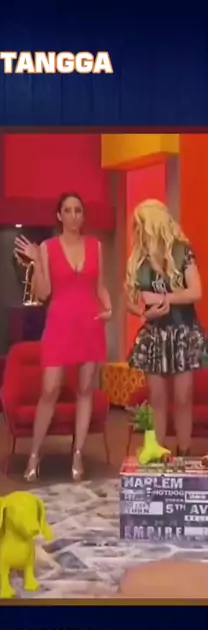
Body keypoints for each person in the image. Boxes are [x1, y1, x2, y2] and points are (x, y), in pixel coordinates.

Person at [14, 192, 112, 482]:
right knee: (50, 390)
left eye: (78, 210)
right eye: (67, 210)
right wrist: (36, 262)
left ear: (83, 215)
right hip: (59, 324)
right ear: (59, 215)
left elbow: (100, 287)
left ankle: (78, 452)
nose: (73, 216)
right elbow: (44, 293)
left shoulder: (96, 246)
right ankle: (34, 454)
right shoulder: (47, 247)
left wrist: (109, 308)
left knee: (85, 390)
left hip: (90, 323)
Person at [124, 199, 205, 456]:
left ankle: (184, 451)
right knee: (157, 398)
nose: (137, 230)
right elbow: (129, 300)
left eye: (140, 225)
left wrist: (165, 298)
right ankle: (158, 451)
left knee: (183, 397)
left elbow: (196, 291)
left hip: (183, 332)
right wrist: (142, 312)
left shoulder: (181, 251)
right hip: (155, 333)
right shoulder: (139, 258)